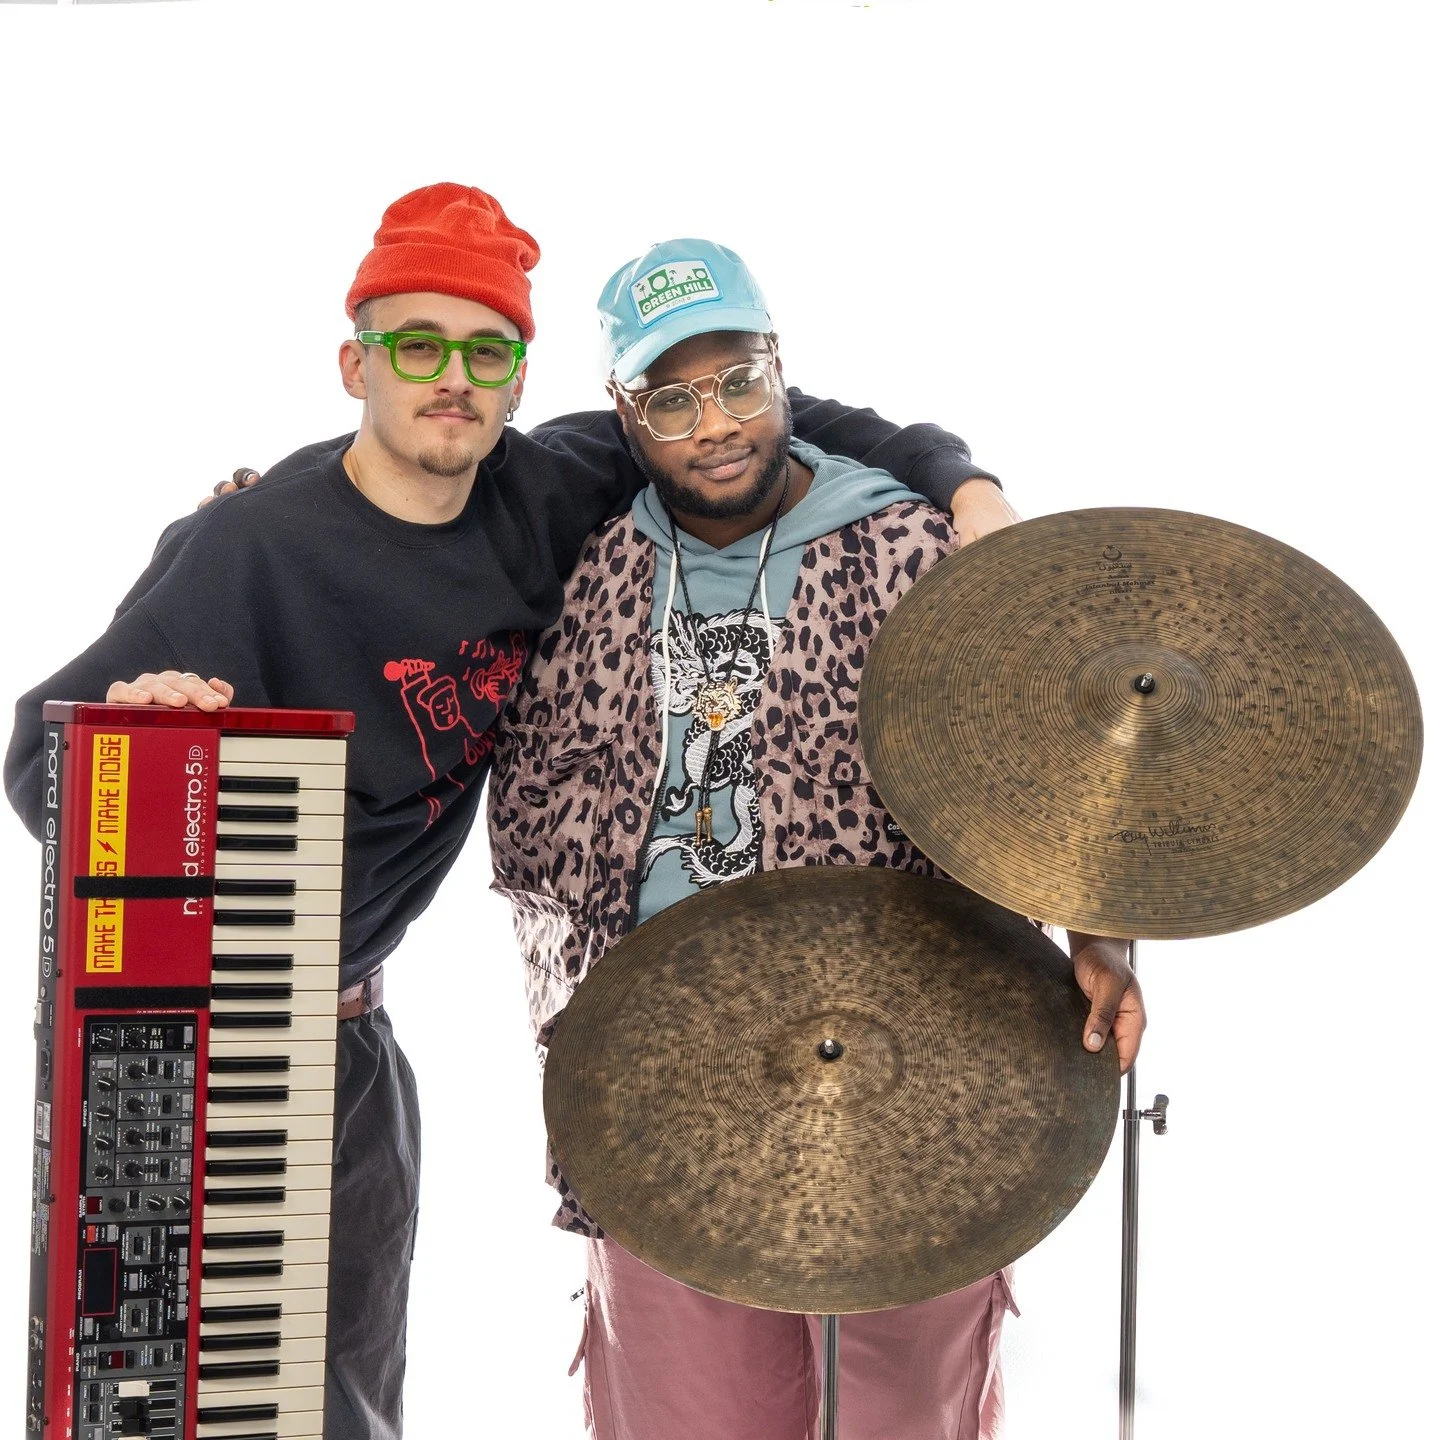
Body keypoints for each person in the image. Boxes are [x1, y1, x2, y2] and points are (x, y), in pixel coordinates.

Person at [5, 185, 1015, 1440]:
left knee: (346, 1403)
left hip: (353, 1034)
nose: (453, 381)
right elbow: (43, 771)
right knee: (148, 1411)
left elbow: (772, 416)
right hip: (196, 1037)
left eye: (487, 353)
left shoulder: (548, 491)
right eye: (417, 347)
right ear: (354, 364)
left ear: (521, 377)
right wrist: (145, 735)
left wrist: (963, 481)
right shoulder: (252, 544)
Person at [486, 238, 1145, 1440]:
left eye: (740, 380)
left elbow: (1056, 763)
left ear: (781, 367)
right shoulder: (586, 561)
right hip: (661, 1081)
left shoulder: (909, 547)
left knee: (907, 1412)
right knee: (689, 1414)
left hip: (913, 1064)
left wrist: (1108, 939)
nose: (718, 424)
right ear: (625, 414)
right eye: (673, 400)